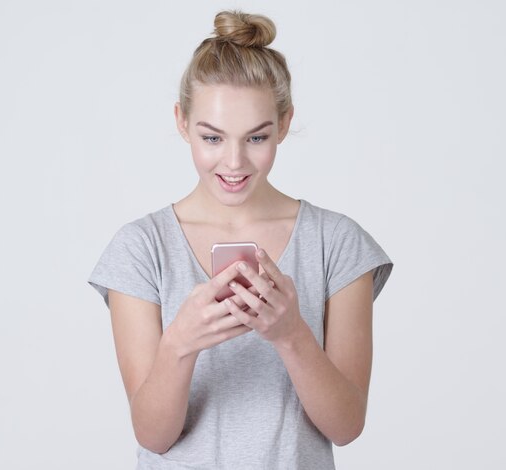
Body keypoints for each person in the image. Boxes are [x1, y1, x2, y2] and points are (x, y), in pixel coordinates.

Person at [88, 10, 393, 470]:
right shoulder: (141, 248)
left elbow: (347, 426)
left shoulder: (337, 243)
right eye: (212, 137)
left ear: (284, 124)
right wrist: (180, 344)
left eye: (256, 137)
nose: (233, 162)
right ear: (182, 122)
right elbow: (153, 435)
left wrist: (292, 336)